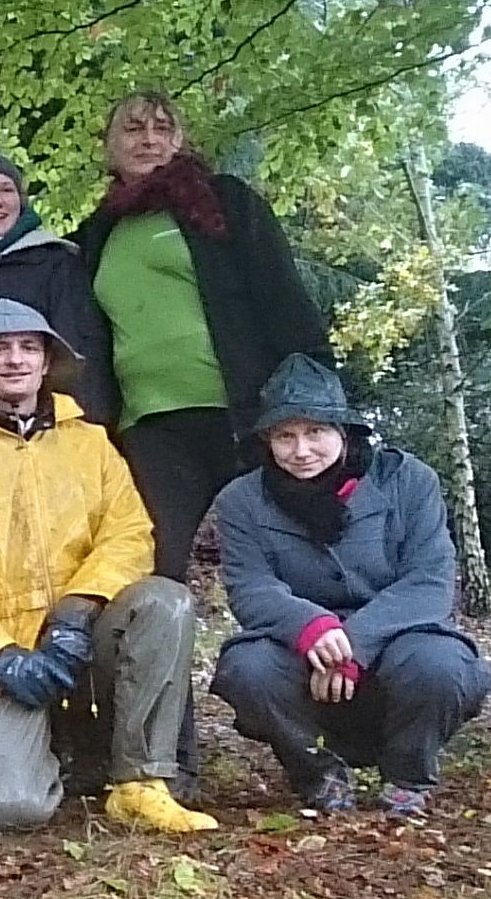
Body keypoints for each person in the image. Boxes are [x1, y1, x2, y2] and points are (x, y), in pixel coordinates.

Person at [0, 300, 214, 834]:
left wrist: (76, 609)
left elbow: (130, 534)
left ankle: (140, 782)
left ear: (47, 362)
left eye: (28, 348)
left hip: (80, 641)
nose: (14, 361)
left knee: (165, 602)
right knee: (13, 810)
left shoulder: (91, 443)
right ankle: (32, 750)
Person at [210, 356, 491, 817]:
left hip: (399, 638)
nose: (301, 450)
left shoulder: (408, 480)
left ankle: (408, 776)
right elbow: (251, 586)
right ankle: (317, 774)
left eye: (316, 432)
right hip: (298, 651)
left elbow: (429, 581)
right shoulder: (241, 501)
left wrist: (351, 647)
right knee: (248, 668)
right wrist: (312, 628)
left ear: (344, 432)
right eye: (285, 436)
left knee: (440, 665)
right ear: (268, 441)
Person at [75, 92, 331, 580]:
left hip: (244, 417)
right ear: (107, 146)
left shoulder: (224, 202)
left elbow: (285, 301)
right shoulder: (97, 234)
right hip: (150, 429)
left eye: (162, 127)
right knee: (149, 567)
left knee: (285, 561)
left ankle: (314, 653)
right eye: (133, 128)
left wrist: (315, 403)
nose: (149, 138)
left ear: (180, 140)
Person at [0, 154, 116, 426]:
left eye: (6, 190)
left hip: (46, 425)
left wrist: (81, 424)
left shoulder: (56, 263)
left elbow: (83, 351)